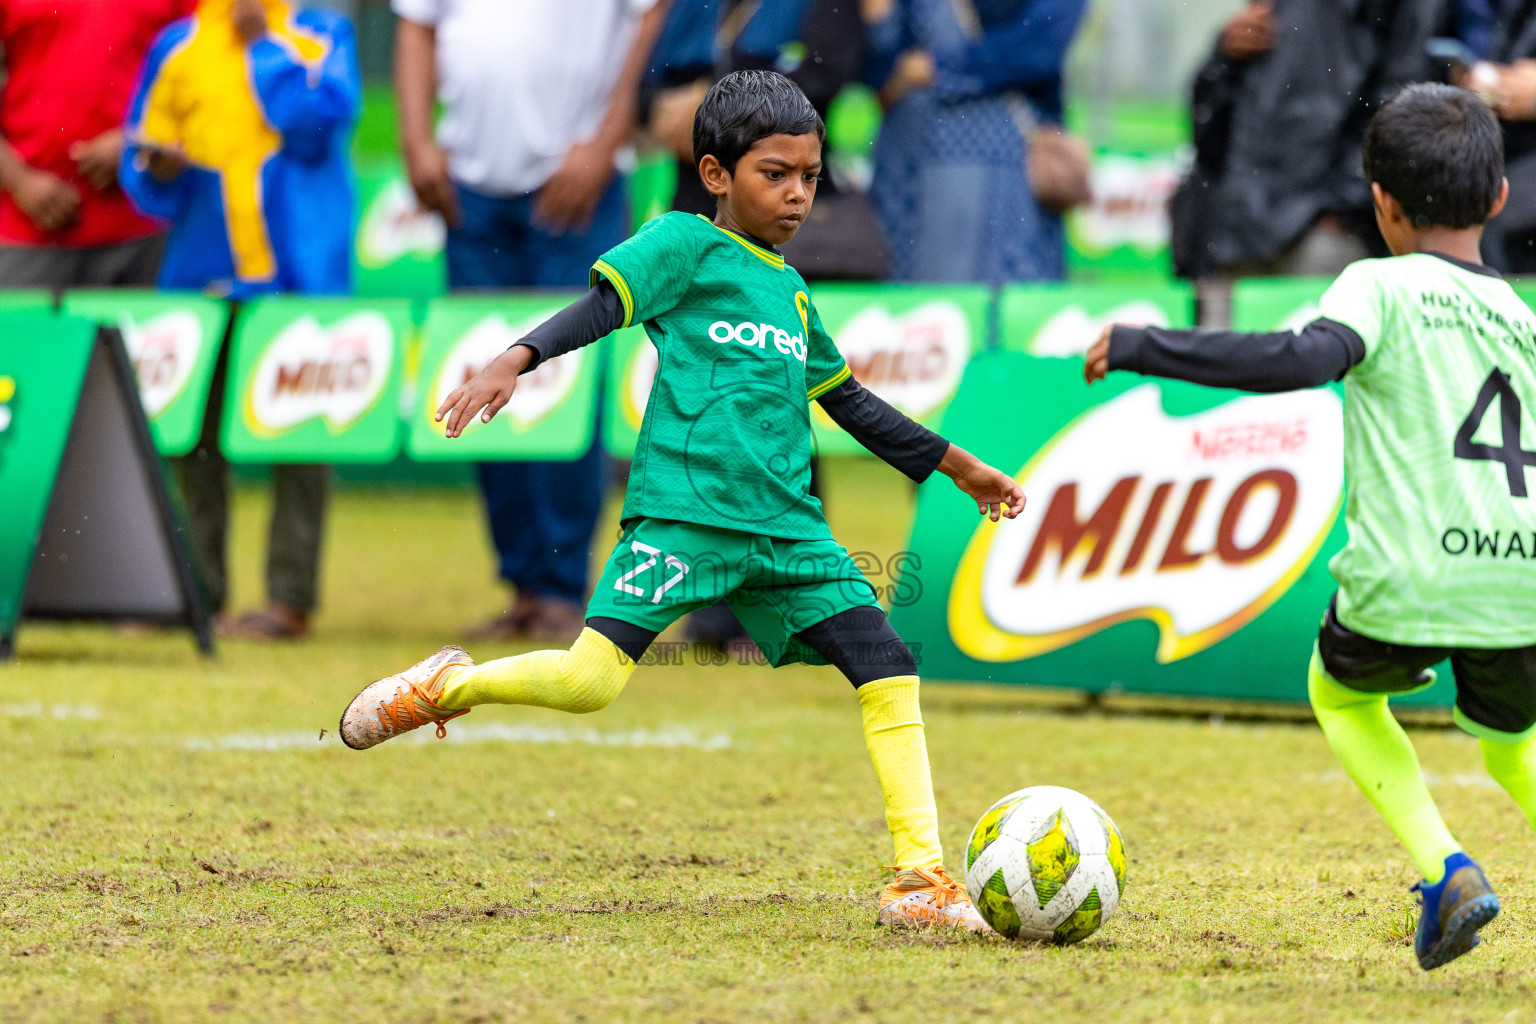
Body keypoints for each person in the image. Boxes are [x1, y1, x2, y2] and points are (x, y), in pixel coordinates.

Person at [339, 71, 1027, 931]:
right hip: (685, 518)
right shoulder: (681, 246)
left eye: (809, 177)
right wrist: (515, 357)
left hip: (787, 533)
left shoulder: (792, 291)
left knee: (888, 666)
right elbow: (599, 308)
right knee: (587, 683)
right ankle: (448, 688)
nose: (797, 194)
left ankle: (920, 879)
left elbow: (850, 403)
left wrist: (958, 465)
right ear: (715, 174)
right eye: (775, 174)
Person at [1086, 84, 1536, 970]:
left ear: (1381, 202)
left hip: (1409, 573)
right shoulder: (1523, 318)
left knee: (1340, 693)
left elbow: (1298, 360)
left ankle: (1445, 866)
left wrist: (1148, 343)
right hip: (1519, 575)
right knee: (1515, 740)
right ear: (1498, 198)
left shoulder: (1378, 285)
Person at [393, 0, 668, 644]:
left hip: (577, 181)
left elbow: (648, 18)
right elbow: (415, 25)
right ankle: (522, 583)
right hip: (469, 187)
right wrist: (416, 141)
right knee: (479, 377)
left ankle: (562, 586)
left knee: (566, 383)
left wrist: (607, 143)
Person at [120, 0, 361, 639]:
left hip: (300, 280)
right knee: (192, 438)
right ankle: (197, 594)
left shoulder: (318, 34)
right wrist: (158, 169)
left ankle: (289, 601)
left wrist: (263, 48)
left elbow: (317, 127)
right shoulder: (178, 44)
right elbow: (141, 164)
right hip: (201, 279)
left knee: (300, 438)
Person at [1172, 0, 1439, 279]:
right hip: (1227, 230)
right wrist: (1225, 54)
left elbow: (1401, 99)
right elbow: (1206, 124)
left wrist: (1341, 208)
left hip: (1317, 233)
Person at [868, 0, 1088, 284]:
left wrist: (933, 67)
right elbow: (873, 63)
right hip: (913, 160)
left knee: (1006, 301)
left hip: (1005, 164)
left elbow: (1041, 47)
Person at [0, 0, 194, 288]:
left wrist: (136, 139)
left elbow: (207, 76)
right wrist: (19, 181)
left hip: (146, 224)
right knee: (29, 334)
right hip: (28, 227)